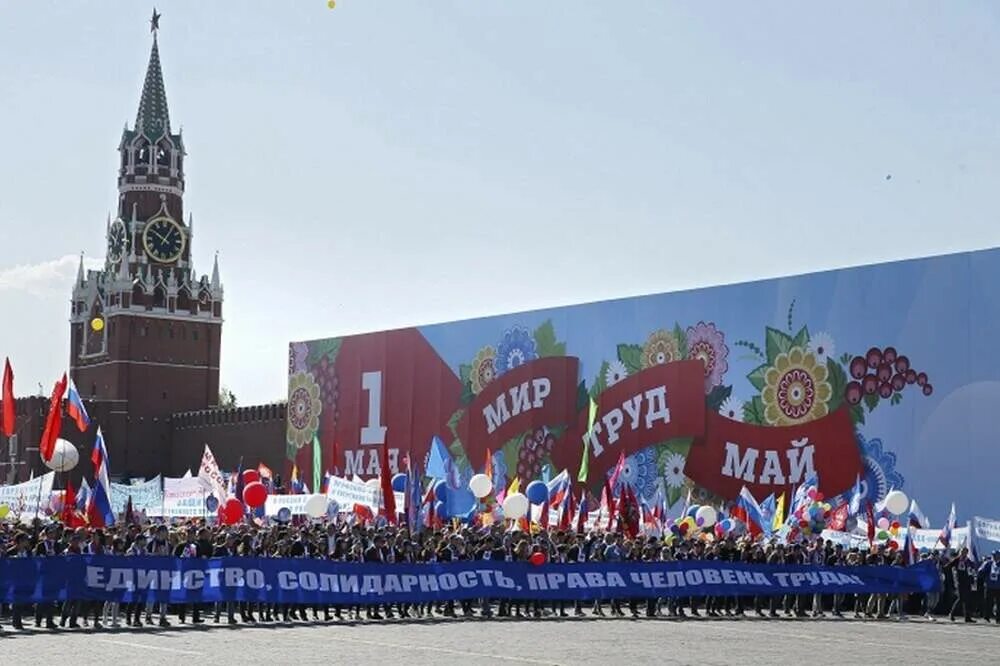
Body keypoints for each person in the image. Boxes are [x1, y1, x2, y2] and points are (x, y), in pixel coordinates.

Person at [946, 547, 976, 623]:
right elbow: (948, 566)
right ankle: (951, 614)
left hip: (967, 583)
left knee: (967, 600)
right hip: (960, 582)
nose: (963, 553)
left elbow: (971, 571)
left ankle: (967, 617)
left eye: (965, 552)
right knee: (961, 599)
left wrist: (972, 580)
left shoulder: (968, 561)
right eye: (962, 551)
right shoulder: (957, 560)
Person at [978, 550, 1000, 623]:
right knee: (988, 602)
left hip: (998, 587)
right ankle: (986, 617)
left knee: (998, 603)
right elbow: (980, 571)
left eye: (997, 555)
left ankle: (998, 618)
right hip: (989, 586)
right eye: (994, 555)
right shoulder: (988, 563)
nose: (995, 557)